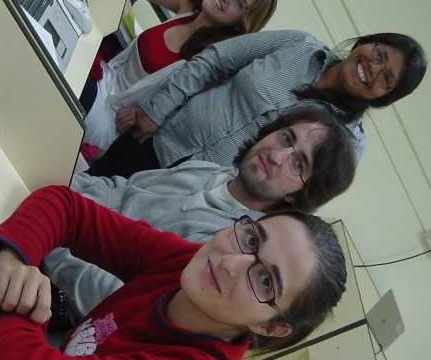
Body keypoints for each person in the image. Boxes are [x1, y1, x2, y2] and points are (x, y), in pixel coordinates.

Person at [0, 185, 347, 360]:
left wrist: (31, 299)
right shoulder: (194, 269)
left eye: (265, 280)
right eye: (251, 239)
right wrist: (15, 260)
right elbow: (67, 207)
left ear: (270, 327)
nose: (231, 263)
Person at [45, 106, 355, 322]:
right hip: (50, 220)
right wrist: (49, 181)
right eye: (286, 138)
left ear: (298, 195)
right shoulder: (213, 172)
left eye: (298, 164)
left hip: (52, 287)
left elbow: (110, 298)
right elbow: (118, 188)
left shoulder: (230, 246)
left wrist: (49, 225)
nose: (276, 155)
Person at [88, 30, 428, 179]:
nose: (373, 68)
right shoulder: (300, 44)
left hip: (186, 199)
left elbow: (292, 193)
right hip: (153, 142)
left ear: (387, 97)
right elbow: (214, 60)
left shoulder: (348, 144)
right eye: (379, 54)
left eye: (387, 78)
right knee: (75, 200)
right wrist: (156, 110)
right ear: (366, 42)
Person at [81, 0, 277, 151]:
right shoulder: (191, 4)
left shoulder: (215, 63)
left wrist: (154, 113)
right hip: (102, 77)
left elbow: (185, 120)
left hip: (110, 121)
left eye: (239, 2)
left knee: (66, 76)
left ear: (241, 23)